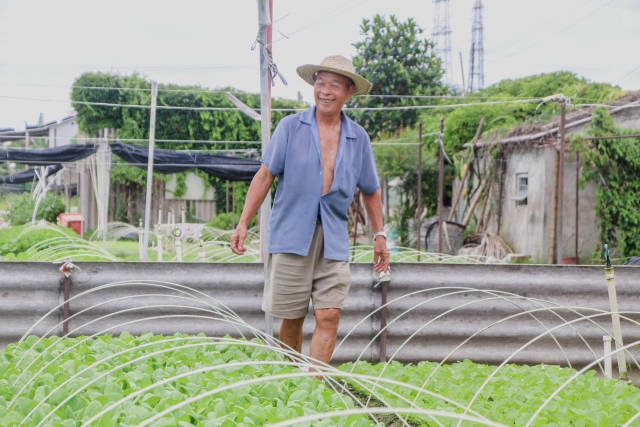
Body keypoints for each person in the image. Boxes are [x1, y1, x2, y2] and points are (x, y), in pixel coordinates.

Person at [230, 55, 389, 368]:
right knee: (291, 315)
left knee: (330, 313)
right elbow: (264, 175)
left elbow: (371, 189)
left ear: (348, 92)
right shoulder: (291, 127)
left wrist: (379, 234)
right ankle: (291, 380)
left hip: (333, 237)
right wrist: (243, 223)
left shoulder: (358, 138)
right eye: (320, 83)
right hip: (291, 234)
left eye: (334, 85)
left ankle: (314, 385)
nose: (325, 91)